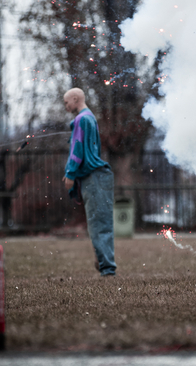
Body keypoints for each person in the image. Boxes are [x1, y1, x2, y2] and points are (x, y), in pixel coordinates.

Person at [62, 87, 117, 276]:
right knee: (98, 222)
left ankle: (107, 268)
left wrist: (70, 173)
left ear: (76, 98)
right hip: (96, 177)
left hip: (94, 177)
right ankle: (102, 259)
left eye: (66, 102)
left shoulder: (82, 119)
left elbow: (77, 149)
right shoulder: (88, 118)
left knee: (99, 224)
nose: (65, 105)